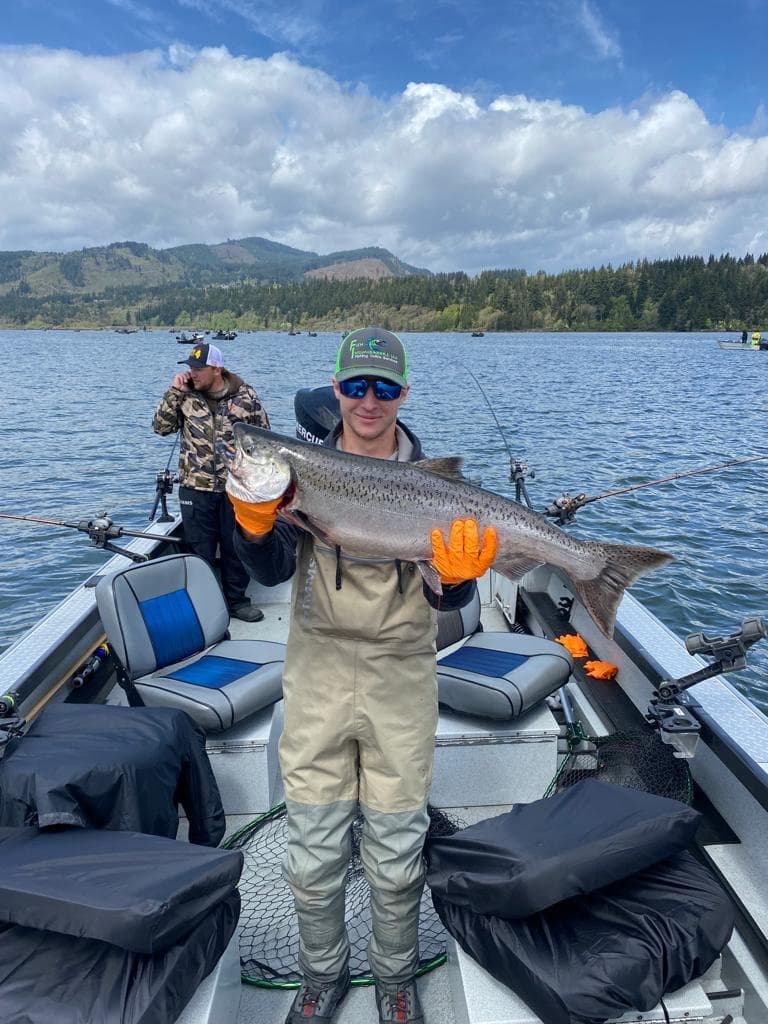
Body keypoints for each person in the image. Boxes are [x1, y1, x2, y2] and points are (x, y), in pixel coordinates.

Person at [227, 327, 497, 1024]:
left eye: (383, 387)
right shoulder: (303, 471)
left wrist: (462, 579)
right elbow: (268, 571)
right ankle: (322, 976)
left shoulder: (433, 481)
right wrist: (252, 527)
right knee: (312, 846)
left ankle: (395, 978)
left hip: (401, 675)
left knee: (397, 843)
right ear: (337, 389)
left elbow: (451, 598)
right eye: (355, 386)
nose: (368, 401)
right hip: (316, 672)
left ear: (403, 393)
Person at [152, 341, 270, 622]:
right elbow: (160, 427)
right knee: (199, 550)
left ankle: (237, 602)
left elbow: (264, 439)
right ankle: (204, 608)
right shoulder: (184, 396)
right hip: (196, 487)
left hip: (235, 487)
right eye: (190, 368)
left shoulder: (246, 396)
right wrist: (174, 392)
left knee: (235, 547)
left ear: (216, 369)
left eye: (199, 368)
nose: (193, 373)